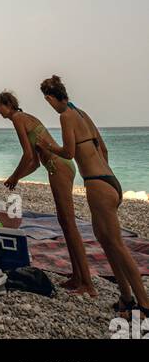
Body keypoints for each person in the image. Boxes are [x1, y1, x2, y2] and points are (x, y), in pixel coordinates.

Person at [37, 75, 148, 316]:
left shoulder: (65, 116)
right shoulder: (82, 113)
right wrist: (103, 177)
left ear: (49, 98)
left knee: (116, 244)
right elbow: (103, 148)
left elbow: (68, 152)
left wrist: (47, 146)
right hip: (110, 181)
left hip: (98, 185)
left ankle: (145, 305)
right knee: (105, 240)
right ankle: (126, 299)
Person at [0, 89, 94, 296]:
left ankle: (88, 284)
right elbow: (36, 164)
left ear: (9, 105)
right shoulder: (25, 116)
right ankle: (77, 277)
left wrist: (14, 176)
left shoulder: (18, 118)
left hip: (59, 166)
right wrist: (17, 178)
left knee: (70, 224)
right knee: (65, 223)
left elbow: (27, 155)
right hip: (56, 166)